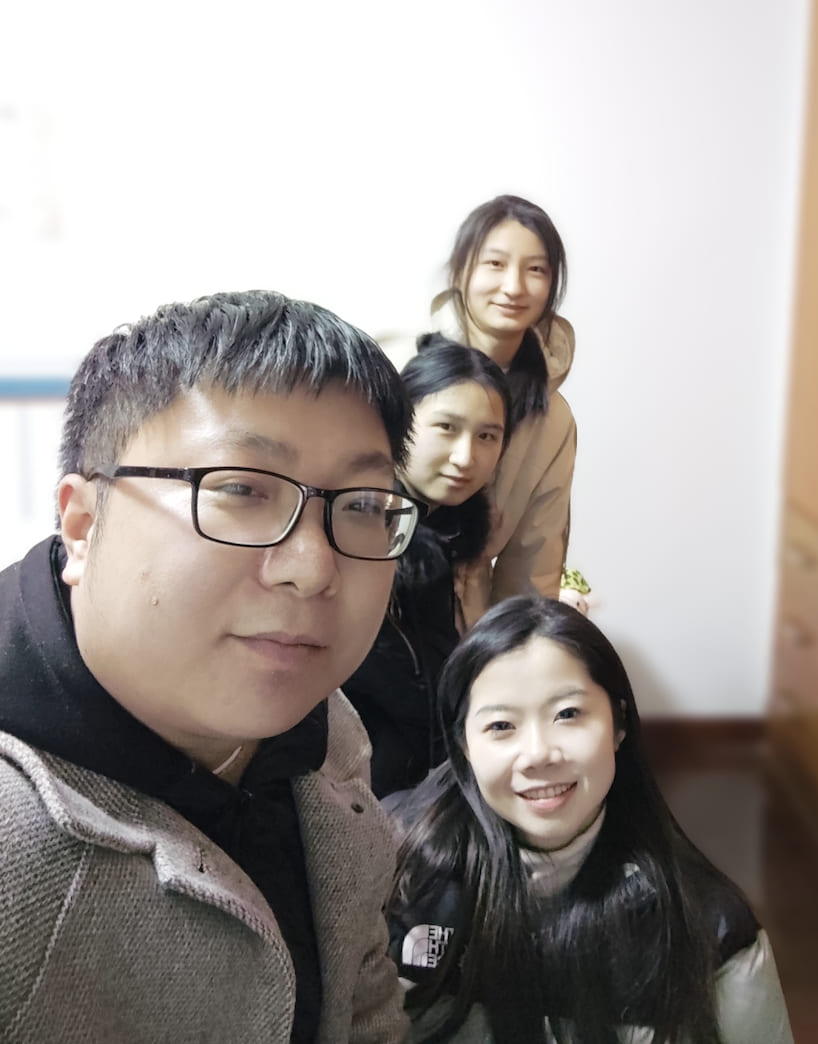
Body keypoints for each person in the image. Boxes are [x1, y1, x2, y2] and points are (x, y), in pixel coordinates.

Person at [0, 290, 420, 1043]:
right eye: (242, 489)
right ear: (83, 523)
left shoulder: (327, 732)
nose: (312, 568)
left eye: (362, 504)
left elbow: (367, 1012)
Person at [386, 596, 793, 1043]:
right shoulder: (399, 874)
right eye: (501, 726)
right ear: (464, 745)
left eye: (568, 714)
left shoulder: (709, 931)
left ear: (618, 724)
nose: (538, 754)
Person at [382, 194, 575, 627]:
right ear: (460, 269)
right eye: (495, 264)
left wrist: (513, 649)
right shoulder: (396, 363)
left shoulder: (552, 419)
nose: (514, 287)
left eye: (536, 270)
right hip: (369, 602)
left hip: (459, 623)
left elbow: (532, 565)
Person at [343, 334, 512, 798]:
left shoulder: (446, 534)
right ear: (401, 421)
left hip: (422, 785)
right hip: (360, 789)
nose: (465, 457)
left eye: (487, 436)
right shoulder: (357, 530)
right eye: (446, 427)